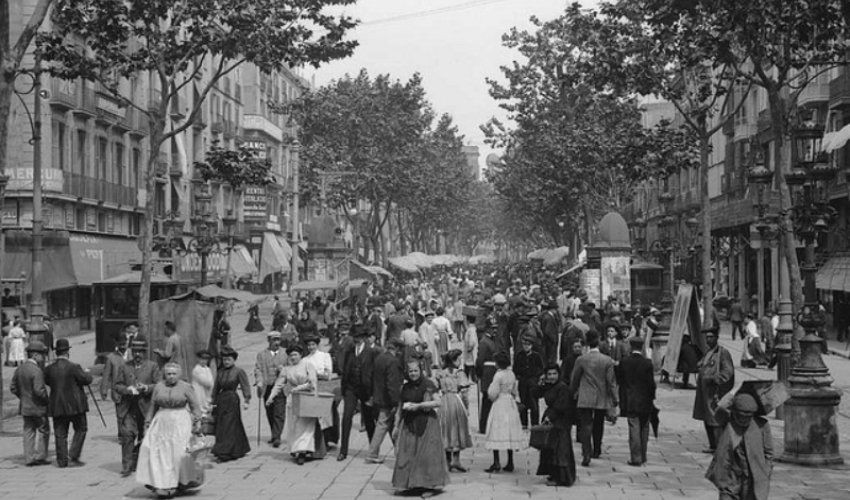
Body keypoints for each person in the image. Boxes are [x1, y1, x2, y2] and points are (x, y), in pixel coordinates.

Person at [136, 362, 203, 498]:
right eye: (168, 374)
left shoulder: (186, 387)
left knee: (178, 453)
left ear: (178, 375)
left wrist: (197, 422)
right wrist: (147, 423)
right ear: (164, 375)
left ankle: (180, 482)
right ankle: (160, 482)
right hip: (161, 421)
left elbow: (195, 406)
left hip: (180, 421)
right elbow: (153, 406)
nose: (171, 377)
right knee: (155, 451)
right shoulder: (159, 387)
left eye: (174, 374)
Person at [391, 360, 450, 496]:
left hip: (428, 423)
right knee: (408, 454)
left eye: (415, 370)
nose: (413, 373)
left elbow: (438, 402)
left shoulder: (428, 384)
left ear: (421, 370)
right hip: (409, 423)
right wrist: (396, 426)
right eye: (410, 371)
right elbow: (400, 407)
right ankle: (412, 485)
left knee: (426, 456)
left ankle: (429, 486)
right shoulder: (405, 387)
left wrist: (419, 405)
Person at [706, 393, 773, 500]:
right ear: (735, 412)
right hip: (730, 475)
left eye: (748, 417)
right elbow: (719, 411)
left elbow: (769, 453)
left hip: (753, 477)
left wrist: (766, 470)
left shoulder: (762, 425)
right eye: (741, 416)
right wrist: (731, 396)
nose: (744, 420)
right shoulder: (728, 421)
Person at [267, 344, 327, 465]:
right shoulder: (286, 369)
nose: (293, 357)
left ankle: (303, 452)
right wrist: (271, 397)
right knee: (294, 426)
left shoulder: (307, 365)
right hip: (293, 399)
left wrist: (299, 388)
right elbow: (279, 384)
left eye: (295, 354)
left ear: (300, 355)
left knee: (305, 425)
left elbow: (312, 382)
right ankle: (295, 449)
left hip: (306, 397)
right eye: (290, 355)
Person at [570, 329, 618, 467]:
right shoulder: (607, 360)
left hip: (585, 396)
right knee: (598, 424)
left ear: (587, 344)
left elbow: (575, 379)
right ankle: (597, 449)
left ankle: (586, 453)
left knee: (585, 425)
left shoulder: (581, 359)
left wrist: (572, 392)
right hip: (601, 397)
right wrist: (615, 399)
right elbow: (611, 382)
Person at [44, 338, 94, 468]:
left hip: (57, 405)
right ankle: (73, 453)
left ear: (57, 353)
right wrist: (87, 373)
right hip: (76, 405)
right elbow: (87, 380)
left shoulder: (49, 369)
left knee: (60, 433)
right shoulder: (74, 367)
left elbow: (47, 381)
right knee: (81, 428)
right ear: (67, 352)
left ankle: (62, 461)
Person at [115, 339, 161, 477]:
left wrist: (147, 388)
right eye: (135, 351)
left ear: (144, 353)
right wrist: (127, 390)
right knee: (127, 435)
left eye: (140, 352)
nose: (137, 354)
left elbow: (158, 384)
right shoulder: (124, 366)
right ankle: (127, 466)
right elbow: (117, 385)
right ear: (131, 352)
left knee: (145, 437)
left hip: (146, 408)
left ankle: (141, 463)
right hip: (129, 408)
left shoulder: (152, 366)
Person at [338, 324, 377, 461]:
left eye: (360, 337)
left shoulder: (371, 352)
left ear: (364, 338)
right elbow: (345, 370)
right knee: (346, 417)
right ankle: (343, 450)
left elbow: (374, 373)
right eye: (355, 337)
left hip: (365, 389)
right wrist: (344, 388)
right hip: (351, 388)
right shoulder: (349, 351)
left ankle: (373, 450)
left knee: (368, 420)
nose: (357, 339)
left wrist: (373, 393)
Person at [693, 327, 735, 453]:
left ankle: (719, 446)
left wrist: (714, 379)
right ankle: (712, 445)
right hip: (704, 392)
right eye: (707, 337)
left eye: (711, 337)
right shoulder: (708, 352)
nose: (708, 339)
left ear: (716, 338)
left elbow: (728, 372)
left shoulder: (723, 353)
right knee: (706, 418)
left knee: (715, 419)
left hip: (715, 392)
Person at [534, 364, 576, 487]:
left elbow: (561, 405)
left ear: (559, 374)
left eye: (554, 374)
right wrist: (540, 383)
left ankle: (562, 478)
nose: (552, 377)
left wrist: (550, 416)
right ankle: (553, 473)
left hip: (561, 421)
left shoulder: (563, 387)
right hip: (551, 419)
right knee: (550, 449)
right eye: (549, 374)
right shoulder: (549, 386)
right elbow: (535, 394)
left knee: (560, 449)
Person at [10, 341, 50, 466]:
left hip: (25, 407)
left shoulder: (20, 369)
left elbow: (13, 387)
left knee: (28, 431)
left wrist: (22, 397)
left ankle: (29, 458)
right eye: (42, 355)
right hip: (38, 407)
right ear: (35, 355)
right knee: (44, 430)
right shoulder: (36, 371)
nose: (43, 357)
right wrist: (46, 400)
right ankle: (41, 456)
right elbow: (39, 391)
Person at [617, 336, 656, 466]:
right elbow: (651, 384)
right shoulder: (647, 363)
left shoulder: (625, 362)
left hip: (630, 399)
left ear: (631, 346)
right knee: (644, 428)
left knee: (634, 427)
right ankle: (643, 455)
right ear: (642, 347)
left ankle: (635, 457)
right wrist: (652, 397)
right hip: (645, 400)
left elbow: (620, 381)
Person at [484, 352, 525, 473]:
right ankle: (510, 461)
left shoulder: (498, 375)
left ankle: (496, 462)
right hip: (510, 402)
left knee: (496, 430)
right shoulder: (511, 374)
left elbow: (493, 393)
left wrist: (490, 393)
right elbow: (515, 390)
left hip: (500, 402)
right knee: (509, 432)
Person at [366, 338, 404, 464]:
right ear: (397, 349)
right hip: (388, 399)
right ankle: (373, 453)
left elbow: (372, 377)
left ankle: (399, 452)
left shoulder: (379, 358)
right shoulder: (393, 361)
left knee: (387, 425)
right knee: (385, 425)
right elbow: (392, 383)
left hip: (379, 397)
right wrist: (395, 402)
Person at [211, 346, 251, 462]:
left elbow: (245, 385)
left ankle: (226, 451)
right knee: (221, 425)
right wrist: (212, 402)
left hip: (232, 399)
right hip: (221, 400)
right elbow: (216, 388)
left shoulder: (238, 371)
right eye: (224, 360)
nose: (226, 362)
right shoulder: (220, 372)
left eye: (229, 359)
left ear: (234, 360)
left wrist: (247, 399)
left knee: (230, 425)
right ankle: (231, 449)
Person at [435, 349, 473, 472]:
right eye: (459, 359)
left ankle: (447, 460)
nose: (460, 361)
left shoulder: (441, 373)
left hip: (444, 402)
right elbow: (465, 394)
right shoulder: (460, 374)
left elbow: (435, 388)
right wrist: (466, 408)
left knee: (446, 429)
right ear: (454, 360)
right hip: (456, 402)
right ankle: (456, 460)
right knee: (457, 429)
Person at [253, 331, 288, 447]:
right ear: (269, 341)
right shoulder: (261, 354)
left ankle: (277, 436)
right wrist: (259, 381)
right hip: (267, 386)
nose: (276, 342)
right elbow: (258, 369)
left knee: (279, 412)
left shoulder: (285, 353)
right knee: (270, 412)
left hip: (280, 387)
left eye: (278, 340)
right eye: (274, 340)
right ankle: (274, 434)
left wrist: (284, 369)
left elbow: (292, 367)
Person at [303, 334, 335, 442]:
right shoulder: (305, 360)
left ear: (317, 345)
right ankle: (316, 440)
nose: (311, 347)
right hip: (312, 389)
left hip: (324, 387)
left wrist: (316, 374)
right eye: (309, 345)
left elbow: (328, 374)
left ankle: (328, 439)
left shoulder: (325, 356)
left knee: (326, 414)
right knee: (315, 416)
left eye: (313, 344)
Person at [514, 336, 544, 429]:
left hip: (533, 382)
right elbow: (515, 369)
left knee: (534, 403)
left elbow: (541, 369)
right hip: (523, 382)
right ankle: (524, 423)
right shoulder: (519, 355)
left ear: (531, 346)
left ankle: (535, 422)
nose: (526, 347)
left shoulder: (536, 356)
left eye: (528, 345)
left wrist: (538, 378)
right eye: (524, 345)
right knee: (523, 402)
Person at [101, 332, 127, 435]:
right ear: (116, 344)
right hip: (117, 390)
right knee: (120, 414)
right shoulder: (111, 357)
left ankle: (130, 434)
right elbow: (106, 375)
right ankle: (121, 435)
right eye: (120, 344)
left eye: (124, 344)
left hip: (131, 388)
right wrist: (104, 390)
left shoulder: (132, 355)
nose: (122, 346)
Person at [475, 319, 498, 433]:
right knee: (486, 401)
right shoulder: (484, 342)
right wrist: (479, 374)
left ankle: (488, 424)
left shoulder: (491, 340)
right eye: (493, 328)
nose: (495, 330)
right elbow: (480, 361)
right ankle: (483, 426)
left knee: (490, 400)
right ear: (488, 329)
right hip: (487, 373)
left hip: (493, 372)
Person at [191, 350, 214, 414]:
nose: (204, 361)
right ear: (198, 359)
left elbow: (211, 382)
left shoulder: (208, 369)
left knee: (207, 406)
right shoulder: (197, 370)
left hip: (206, 392)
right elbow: (207, 382)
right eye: (202, 359)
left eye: (206, 359)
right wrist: (210, 383)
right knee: (200, 406)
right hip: (199, 392)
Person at [461, 315, 478, 381]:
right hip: (469, 350)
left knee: (470, 363)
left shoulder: (471, 330)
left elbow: (472, 340)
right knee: (468, 363)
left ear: (467, 321)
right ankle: (468, 377)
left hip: (470, 350)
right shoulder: (471, 329)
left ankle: (473, 378)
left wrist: (470, 347)